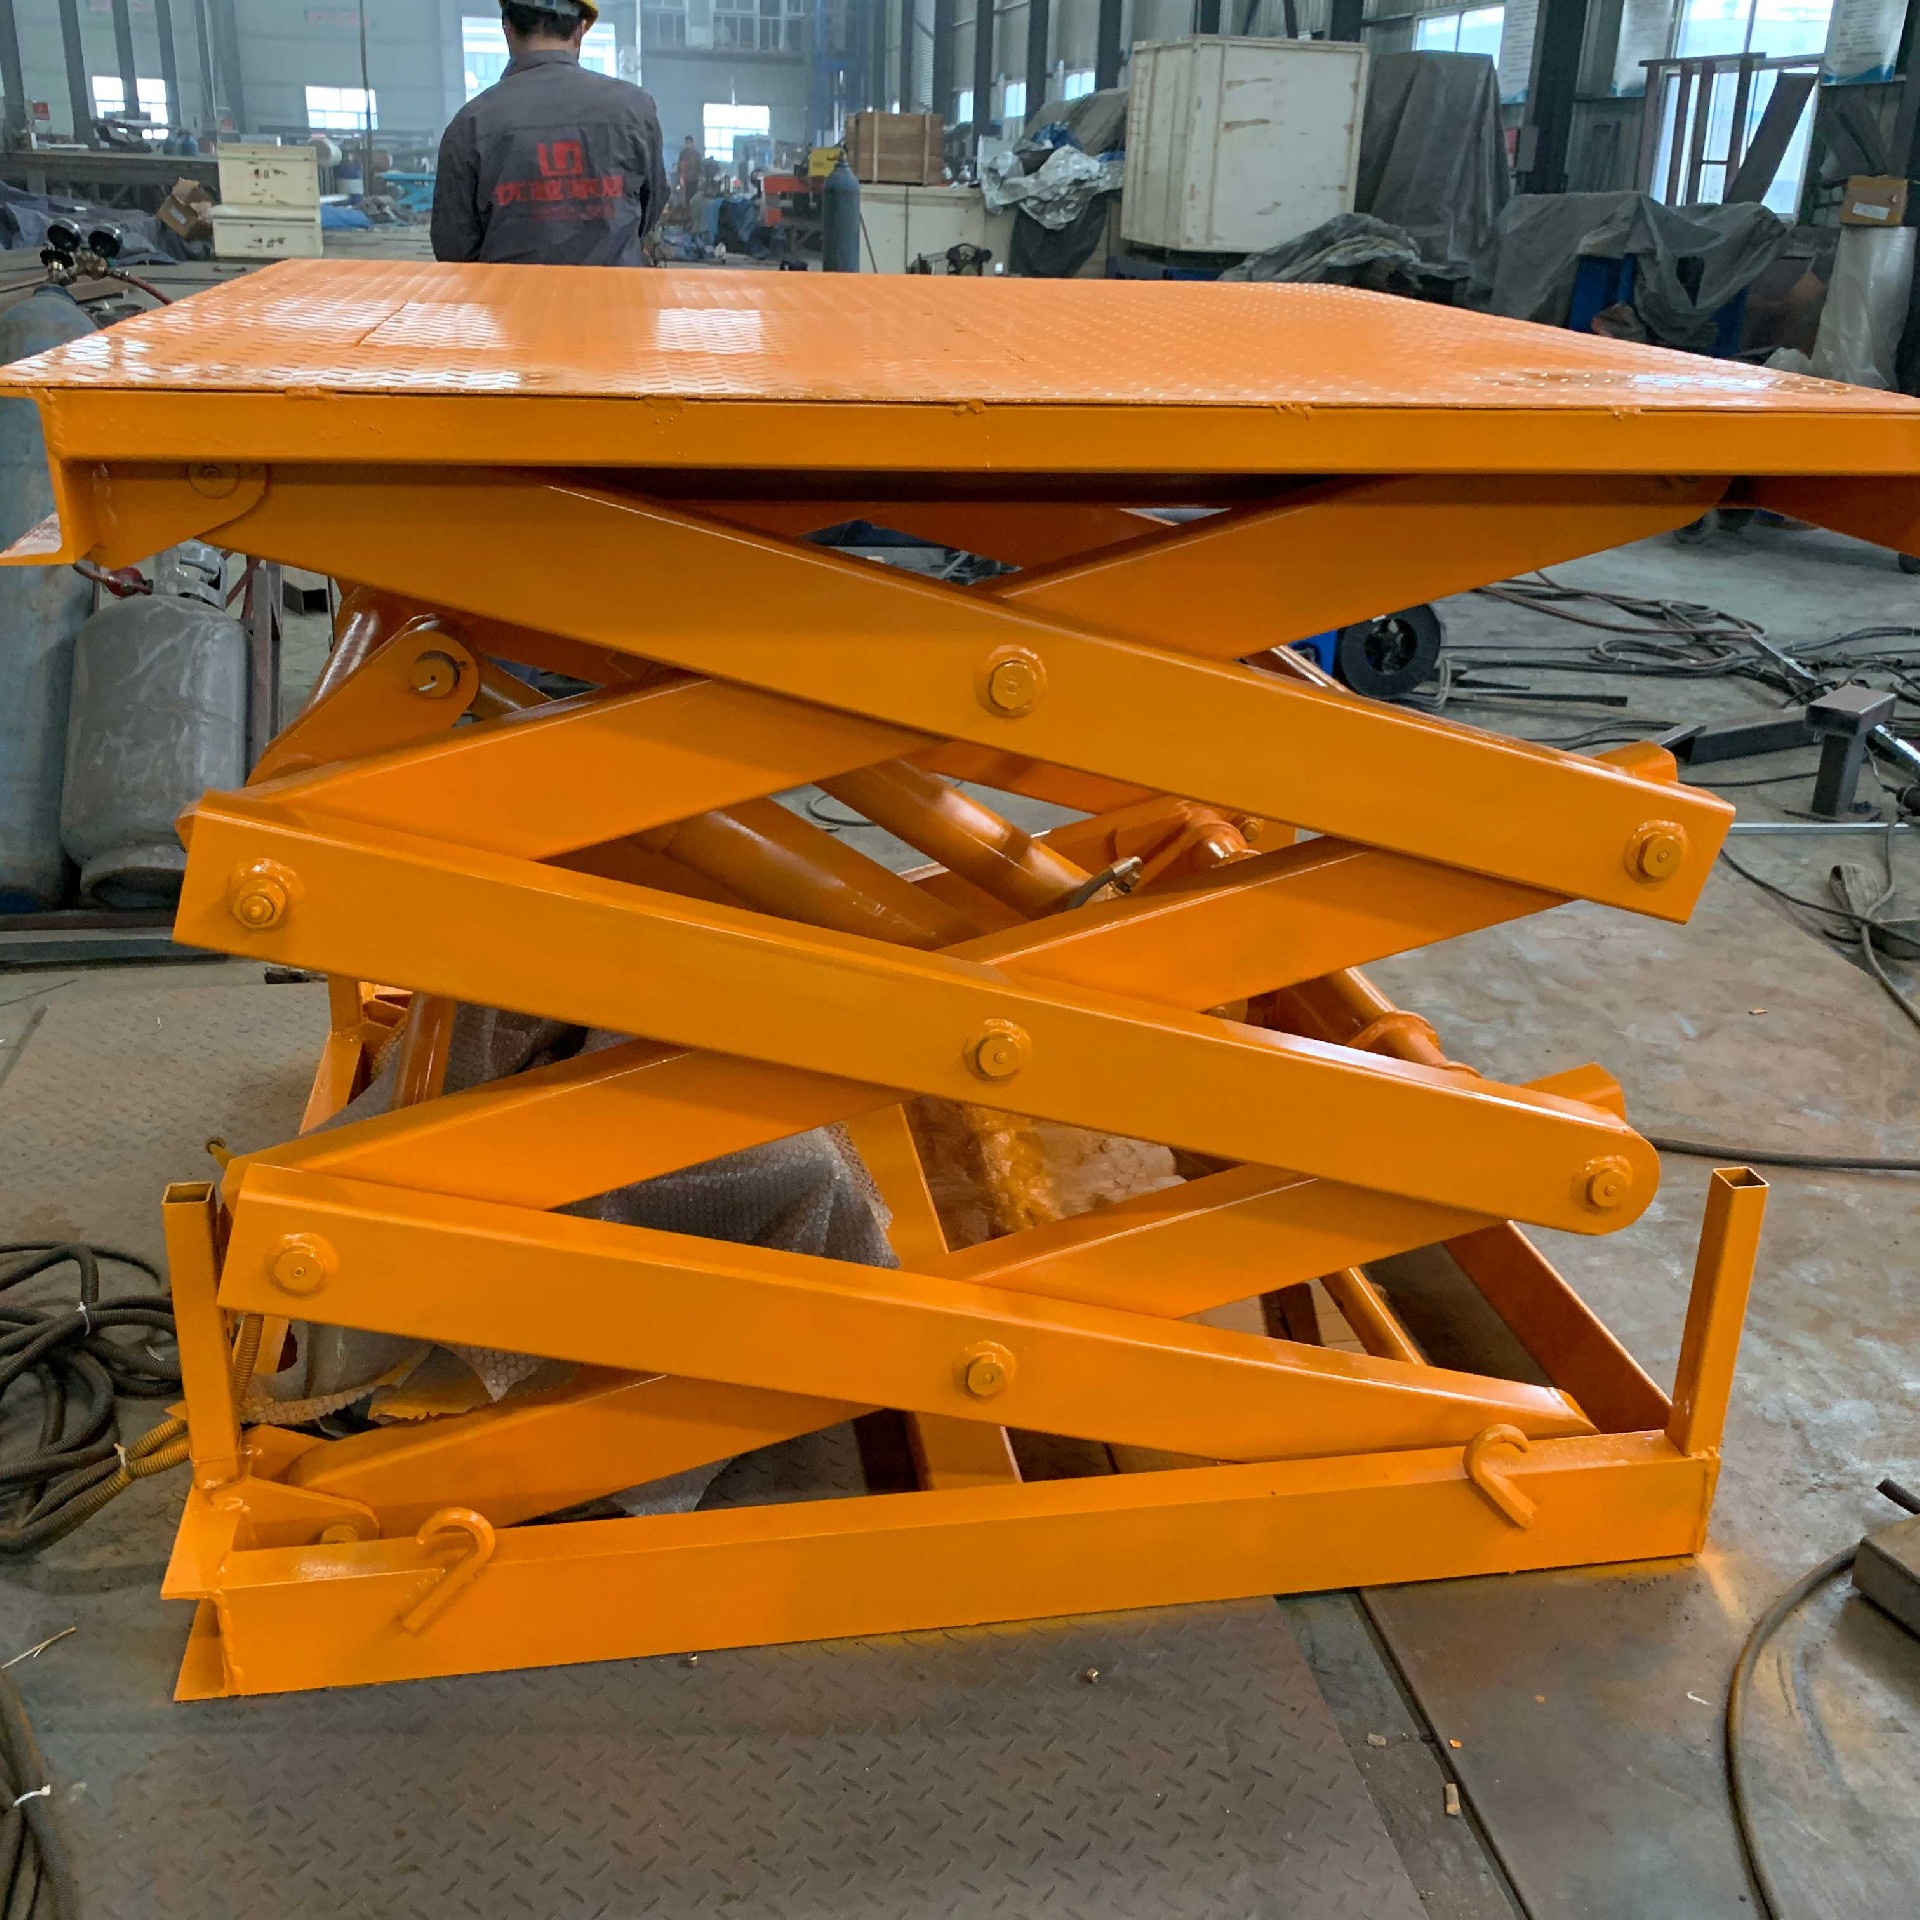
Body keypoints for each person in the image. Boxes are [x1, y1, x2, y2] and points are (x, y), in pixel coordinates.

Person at [431, 0, 668, 267]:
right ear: (580, 30)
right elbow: (650, 210)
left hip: (510, 292)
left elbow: (453, 246)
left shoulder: (470, 123)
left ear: (507, 27)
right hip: (616, 292)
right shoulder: (635, 109)